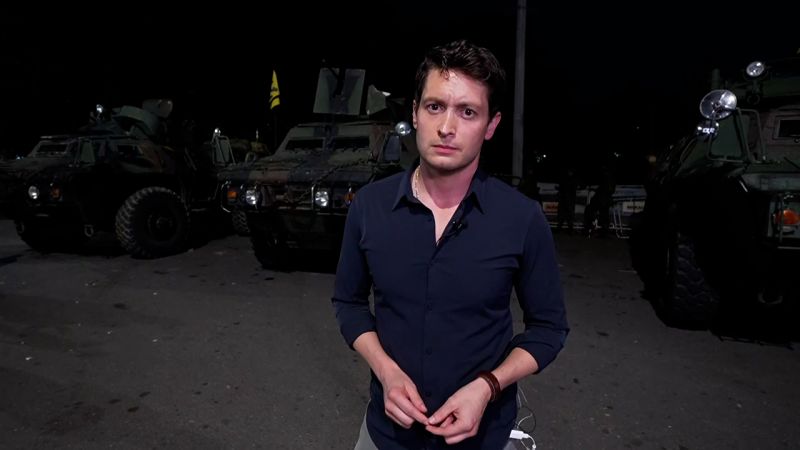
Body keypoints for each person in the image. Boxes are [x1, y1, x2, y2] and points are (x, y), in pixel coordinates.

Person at [332, 39, 569, 449]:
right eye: (435, 106)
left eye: (468, 112)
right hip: (386, 436)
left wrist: (488, 386)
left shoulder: (522, 218)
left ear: (491, 126)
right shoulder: (369, 206)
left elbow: (548, 329)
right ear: (415, 113)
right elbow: (348, 304)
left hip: (484, 437)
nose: (446, 127)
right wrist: (386, 371)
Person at [556, 167, 578, 233]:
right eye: (569, 171)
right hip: (565, 200)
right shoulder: (566, 179)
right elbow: (562, 188)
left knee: (569, 215)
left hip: (569, 201)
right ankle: (560, 228)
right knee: (562, 215)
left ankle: (569, 229)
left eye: (570, 172)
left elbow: (572, 190)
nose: (569, 173)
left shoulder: (573, 180)